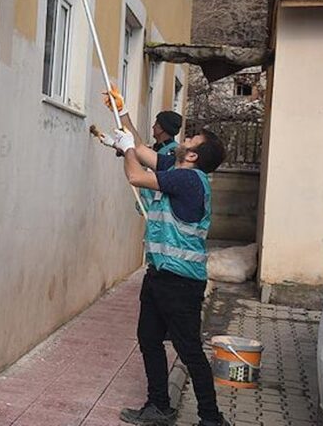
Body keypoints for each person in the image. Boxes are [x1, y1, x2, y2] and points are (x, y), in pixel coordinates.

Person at [104, 87, 231, 426]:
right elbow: (141, 150)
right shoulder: (177, 169)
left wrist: (126, 149)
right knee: (148, 339)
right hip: (159, 275)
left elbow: (135, 173)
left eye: (191, 140)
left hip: (181, 282)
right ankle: (159, 406)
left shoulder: (188, 180)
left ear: (193, 155)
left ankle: (211, 418)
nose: (184, 139)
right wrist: (122, 111)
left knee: (189, 350)